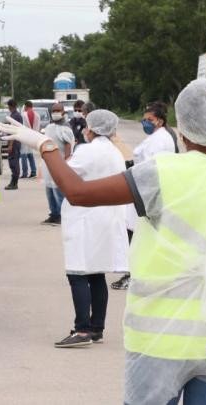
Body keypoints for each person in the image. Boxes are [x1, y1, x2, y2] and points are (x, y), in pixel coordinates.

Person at [0, 78, 206, 405]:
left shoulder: (161, 172)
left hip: (162, 339)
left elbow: (78, 193)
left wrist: (46, 146)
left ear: (182, 128)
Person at [55, 109, 129, 348]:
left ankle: (82, 329)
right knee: (96, 273)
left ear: (92, 129)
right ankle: (97, 327)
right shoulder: (114, 151)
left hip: (86, 218)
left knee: (77, 272)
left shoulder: (88, 150)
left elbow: (65, 173)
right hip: (106, 218)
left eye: (87, 126)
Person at [112, 101, 179, 291]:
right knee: (135, 233)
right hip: (142, 190)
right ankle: (135, 273)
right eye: (144, 120)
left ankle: (133, 275)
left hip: (147, 192)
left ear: (159, 120)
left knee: (138, 236)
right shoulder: (159, 136)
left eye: (149, 120)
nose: (145, 123)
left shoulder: (162, 139)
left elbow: (154, 168)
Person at [41, 102, 74, 225]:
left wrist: (65, 162)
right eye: (53, 111)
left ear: (63, 113)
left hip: (59, 163)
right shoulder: (49, 127)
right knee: (49, 189)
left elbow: (67, 145)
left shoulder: (65, 128)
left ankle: (61, 215)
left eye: (57, 111)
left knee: (58, 190)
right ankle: (53, 214)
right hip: (48, 164)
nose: (55, 113)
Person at [4, 99, 24, 190]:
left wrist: (10, 145)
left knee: (13, 162)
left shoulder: (15, 116)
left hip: (14, 142)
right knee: (13, 162)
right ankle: (14, 182)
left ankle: (14, 183)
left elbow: (14, 131)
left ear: (11, 106)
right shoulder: (16, 115)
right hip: (16, 141)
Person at [20, 101, 41, 178]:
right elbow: (38, 126)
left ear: (25, 106)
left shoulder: (23, 114)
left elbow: (21, 126)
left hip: (25, 135)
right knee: (30, 154)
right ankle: (33, 171)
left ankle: (25, 173)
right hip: (33, 136)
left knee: (23, 154)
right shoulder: (37, 115)